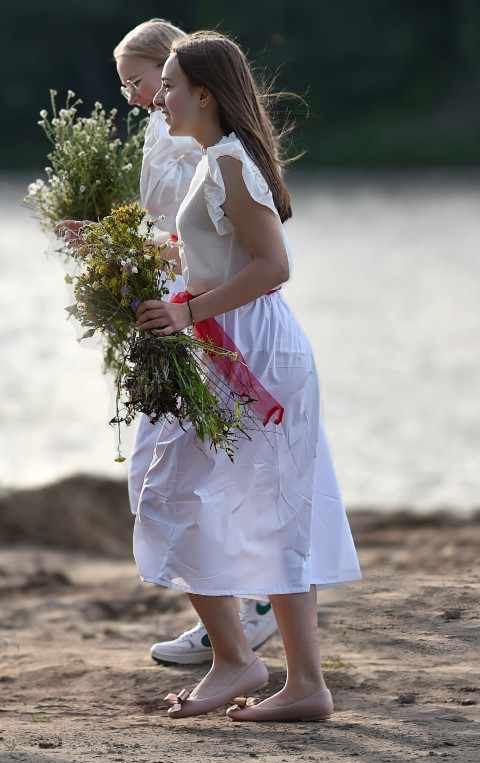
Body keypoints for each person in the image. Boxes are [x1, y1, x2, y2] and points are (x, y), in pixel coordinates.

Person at [133, 32, 361, 721]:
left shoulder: (230, 162)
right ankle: (239, 661)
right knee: (173, 490)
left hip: (256, 350)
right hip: (222, 344)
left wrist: (189, 312)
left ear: (205, 95)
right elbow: (215, 247)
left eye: (170, 86)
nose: (160, 99)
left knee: (270, 506)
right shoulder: (213, 160)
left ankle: (301, 684)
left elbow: (272, 265)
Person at [114, 19, 280, 667]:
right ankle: (235, 614)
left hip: (204, 314)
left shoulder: (210, 148)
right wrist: (109, 243)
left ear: (181, 75)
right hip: (173, 309)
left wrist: (186, 308)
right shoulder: (168, 133)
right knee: (173, 472)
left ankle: (245, 613)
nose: (134, 96)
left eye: (140, 81)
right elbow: (181, 232)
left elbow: (233, 245)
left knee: (186, 472)